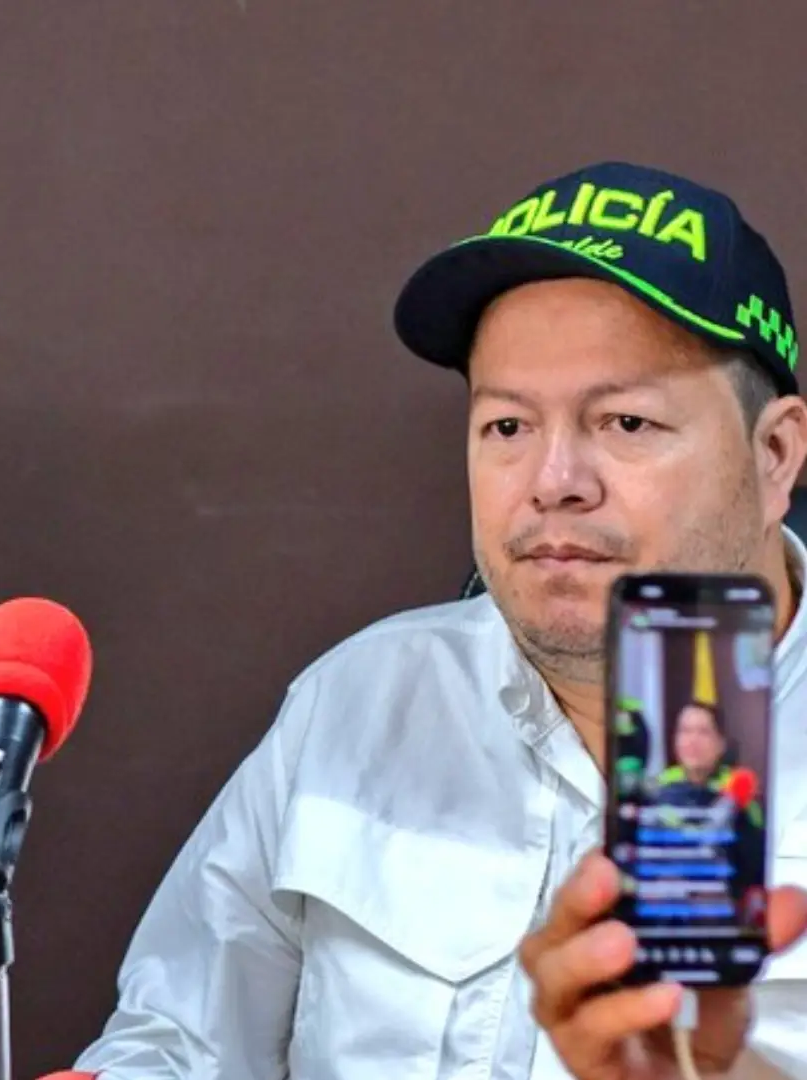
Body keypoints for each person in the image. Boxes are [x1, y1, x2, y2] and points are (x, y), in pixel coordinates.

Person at [70, 161, 807, 1078]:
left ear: (775, 455)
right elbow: (174, 1046)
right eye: (508, 427)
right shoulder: (358, 701)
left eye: (624, 422)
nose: (554, 482)